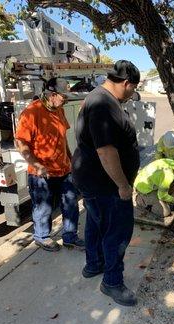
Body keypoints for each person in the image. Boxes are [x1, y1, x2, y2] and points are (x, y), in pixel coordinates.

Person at [72, 60, 140, 307]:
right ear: (126, 83)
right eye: (133, 89)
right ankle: (112, 282)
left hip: (92, 179)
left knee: (96, 223)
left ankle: (94, 264)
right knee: (118, 230)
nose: (132, 94)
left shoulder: (95, 97)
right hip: (106, 182)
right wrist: (123, 185)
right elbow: (106, 151)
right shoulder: (103, 104)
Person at [15, 77, 84, 252]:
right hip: (41, 174)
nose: (66, 100)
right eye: (63, 96)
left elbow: (62, 139)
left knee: (70, 203)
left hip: (63, 169)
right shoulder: (31, 113)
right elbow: (21, 144)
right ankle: (42, 237)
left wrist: (70, 159)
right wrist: (36, 165)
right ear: (52, 95)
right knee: (43, 208)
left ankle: (69, 236)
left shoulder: (59, 110)